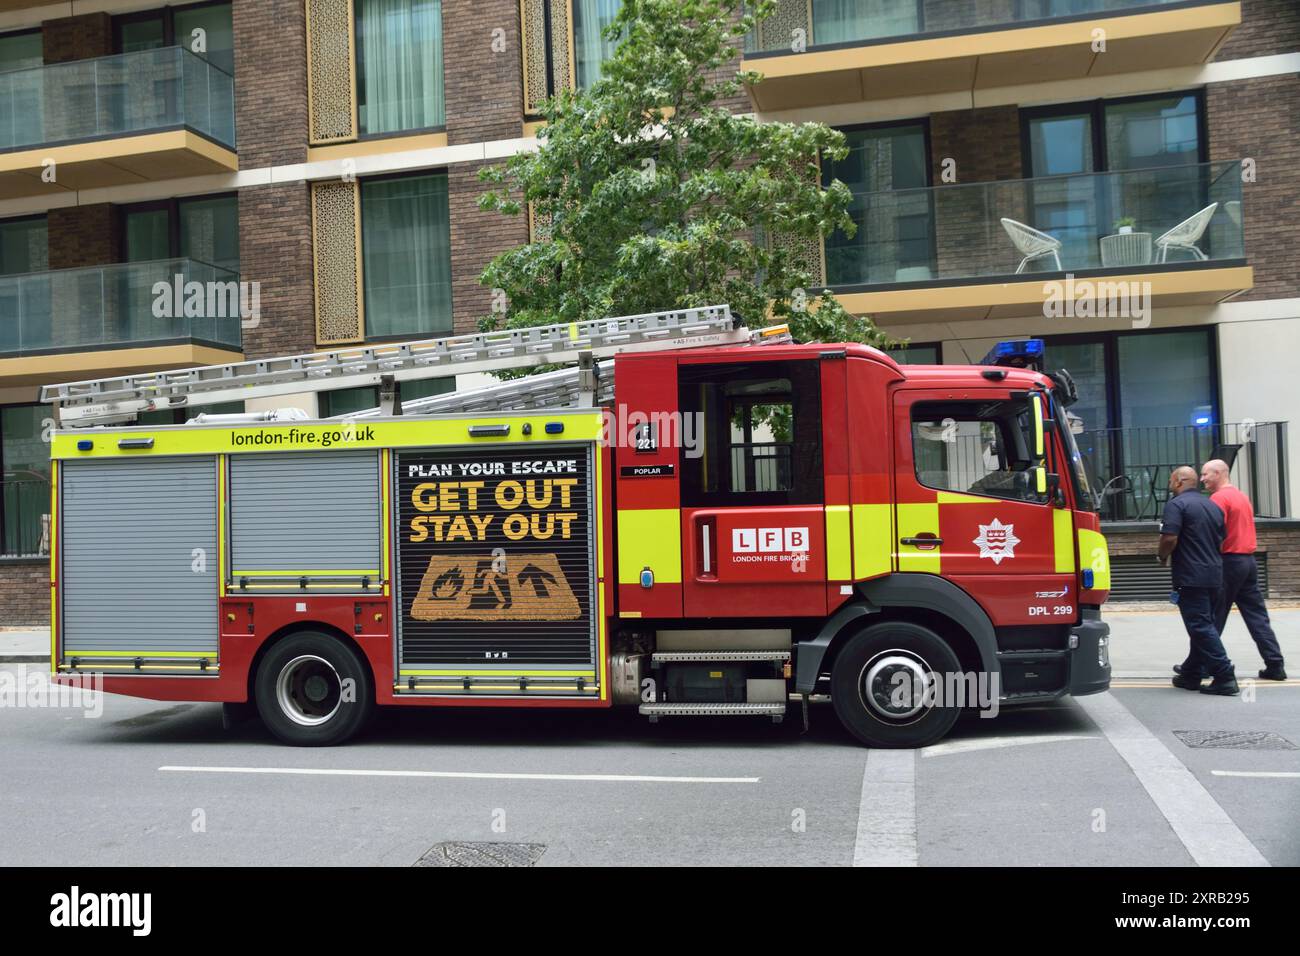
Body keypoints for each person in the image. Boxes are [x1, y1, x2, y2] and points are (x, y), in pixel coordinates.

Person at [1198, 458, 1287, 680]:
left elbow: (1215, 533)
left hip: (1228, 562)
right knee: (1257, 616)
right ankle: (1275, 664)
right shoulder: (1241, 495)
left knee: (1214, 616)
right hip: (1248, 561)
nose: (1202, 479)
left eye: (1205, 474)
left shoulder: (1219, 498)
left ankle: (1205, 666)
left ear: (1218, 473)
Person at [1158, 465, 1237, 695]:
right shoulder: (1213, 505)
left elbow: (1169, 537)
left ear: (1179, 482)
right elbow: (1222, 539)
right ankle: (1191, 674)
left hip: (1191, 576)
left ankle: (1224, 675)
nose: (1170, 485)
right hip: (1215, 575)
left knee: (1200, 627)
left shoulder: (1177, 505)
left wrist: (1162, 556)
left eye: (1171, 481)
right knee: (1204, 626)